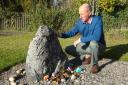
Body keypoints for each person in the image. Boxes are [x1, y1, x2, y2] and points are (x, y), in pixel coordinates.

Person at [58, 3, 106, 73]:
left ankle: (95, 65)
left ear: (89, 13)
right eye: (79, 14)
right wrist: (59, 34)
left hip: (99, 46)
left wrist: (80, 39)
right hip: (87, 46)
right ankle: (87, 56)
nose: (80, 16)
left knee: (93, 43)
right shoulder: (79, 22)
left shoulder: (97, 20)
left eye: (82, 14)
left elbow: (96, 37)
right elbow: (71, 33)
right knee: (68, 49)